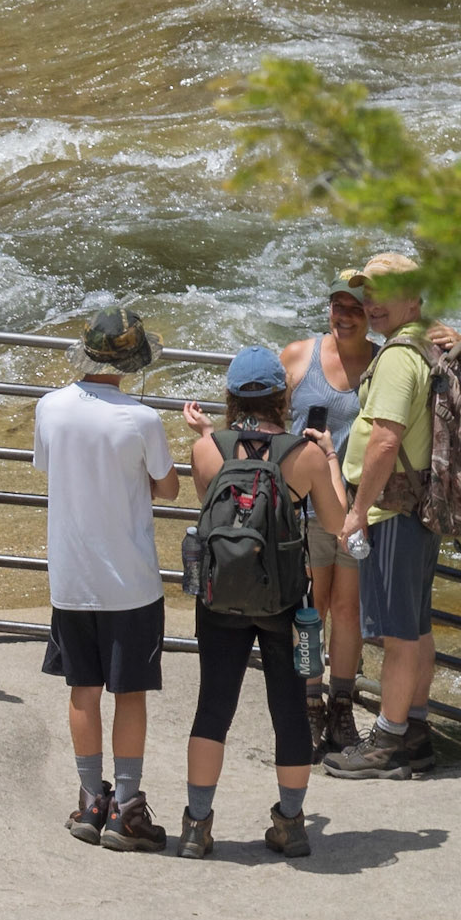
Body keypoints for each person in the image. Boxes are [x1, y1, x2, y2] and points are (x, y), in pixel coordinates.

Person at [179, 348, 348, 859]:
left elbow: (216, 507)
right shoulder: (306, 454)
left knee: (214, 707)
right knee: (289, 710)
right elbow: (336, 524)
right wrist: (331, 458)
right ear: (283, 396)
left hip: (222, 597)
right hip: (284, 599)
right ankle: (290, 825)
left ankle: (197, 826)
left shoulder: (206, 450)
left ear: (232, 396)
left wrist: (206, 434)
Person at [34, 305, 180, 853]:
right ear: (132, 362)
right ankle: (127, 808)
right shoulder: (141, 419)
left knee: (83, 691)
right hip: (131, 583)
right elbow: (169, 489)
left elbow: (49, 466)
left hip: (71, 577)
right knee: (131, 693)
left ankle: (91, 799)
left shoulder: (50, 407)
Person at [324, 253, 443, 779]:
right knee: (415, 626)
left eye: (383, 293)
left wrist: (356, 511)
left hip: (392, 508)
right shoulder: (427, 344)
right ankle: (414, 730)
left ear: (412, 300)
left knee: (397, 636)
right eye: (367, 293)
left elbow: (385, 439)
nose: (371, 304)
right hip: (418, 507)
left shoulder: (396, 357)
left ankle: (388, 742)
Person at [281, 279, 377, 761]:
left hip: (362, 510)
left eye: (356, 308)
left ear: (371, 313)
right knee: (310, 609)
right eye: (338, 306)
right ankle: (309, 704)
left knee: (348, 609)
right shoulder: (299, 356)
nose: (345, 316)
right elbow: (270, 421)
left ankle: (341, 705)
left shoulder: (383, 362)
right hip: (307, 509)